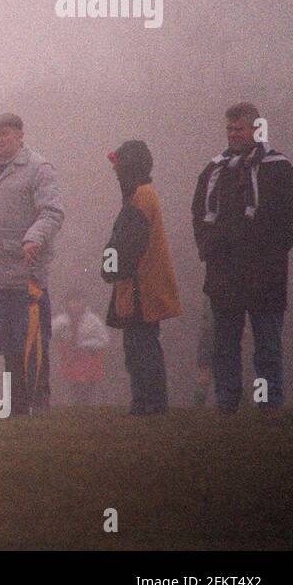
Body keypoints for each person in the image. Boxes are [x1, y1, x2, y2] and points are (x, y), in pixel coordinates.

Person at [191, 102, 293, 413]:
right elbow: (198, 213)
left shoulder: (278, 168)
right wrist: (206, 248)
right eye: (229, 129)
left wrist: (271, 254)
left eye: (238, 128)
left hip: (265, 276)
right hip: (223, 274)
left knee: (266, 347)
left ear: (257, 128)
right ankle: (227, 403)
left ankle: (267, 403)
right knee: (224, 346)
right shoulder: (215, 170)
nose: (232, 135)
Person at [0, 113, 64, 416]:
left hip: (25, 270)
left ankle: (38, 400)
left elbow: (52, 212)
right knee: (5, 339)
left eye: (4, 133)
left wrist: (33, 238)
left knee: (32, 337)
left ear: (20, 134)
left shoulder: (39, 168)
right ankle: (16, 403)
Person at [100, 141, 181, 415]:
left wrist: (108, 268)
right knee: (141, 347)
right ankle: (146, 403)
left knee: (141, 349)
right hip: (141, 286)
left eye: (119, 166)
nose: (115, 172)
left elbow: (127, 244)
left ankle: (149, 404)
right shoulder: (144, 194)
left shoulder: (141, 198)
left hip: (141, 289)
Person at [52, 289, 111, 406]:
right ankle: (76, 407)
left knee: (87, 387)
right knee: (73, 386)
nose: (76, 304)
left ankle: (86, 406)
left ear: (84, 302)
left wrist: (86, 345)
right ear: (67, 303)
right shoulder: (61, 320)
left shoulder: (93, 320)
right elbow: (50, 333)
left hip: (89, 359)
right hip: (70, 359)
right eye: (72, 301)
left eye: (79, 301)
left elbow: (104, 340)